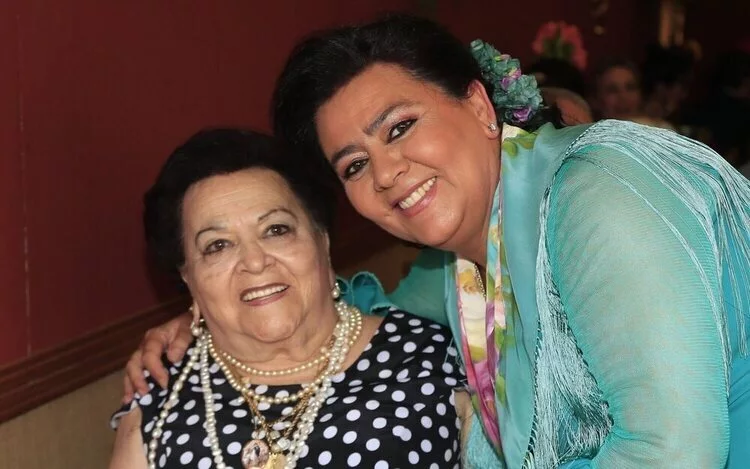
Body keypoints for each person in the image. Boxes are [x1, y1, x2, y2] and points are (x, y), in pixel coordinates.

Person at [126, 15, 750, 468]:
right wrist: (213, 313)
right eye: (354, 165)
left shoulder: (595, 195)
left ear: (478, 105)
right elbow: (355, 311)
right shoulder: (466, 265)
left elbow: (673, 450)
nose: (385, 172)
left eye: (399, 127)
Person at [109, 128, 464, 469]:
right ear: (188, 276)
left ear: (322, 241)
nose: (254, 261)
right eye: (217, 246)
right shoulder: (161, 392)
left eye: (276, 230)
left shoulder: (432, 358)